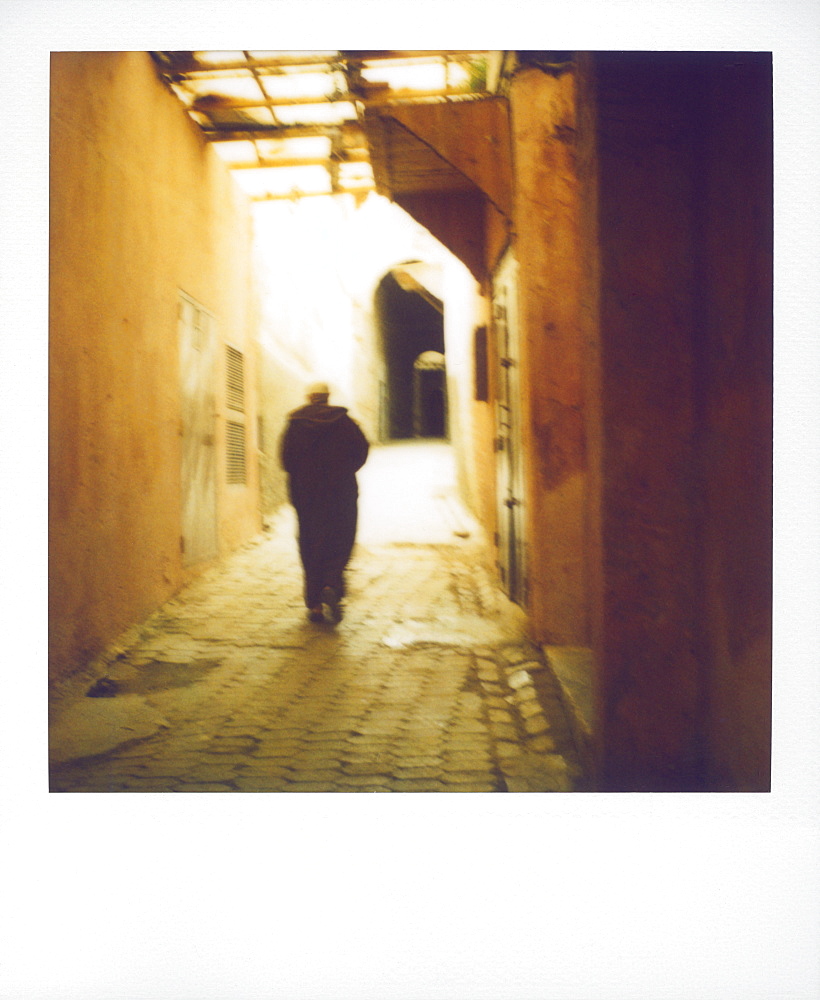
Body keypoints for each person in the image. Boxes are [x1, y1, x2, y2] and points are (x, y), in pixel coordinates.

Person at [280, 382, 369, 623]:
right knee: (340, 538)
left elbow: (286, 461)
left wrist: (303, 477)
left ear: (309, 397)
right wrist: (344, 471)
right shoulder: (344, 422)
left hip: (307, 495)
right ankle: (332, 584)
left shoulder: (295, 424)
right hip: (341, 492)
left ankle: (315, 604)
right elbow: (361, 451)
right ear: (327, 398)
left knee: (311, 542)